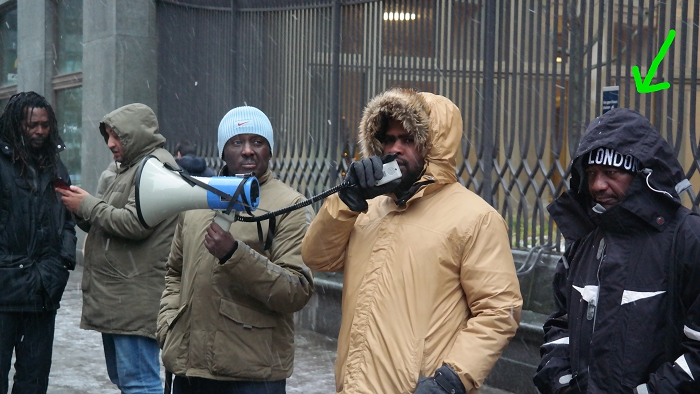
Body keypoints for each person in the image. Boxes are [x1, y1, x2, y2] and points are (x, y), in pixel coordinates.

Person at [301, 88, 523, 393]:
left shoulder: (476, 218)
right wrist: (347, 200)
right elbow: (317, 257)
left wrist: (452, 380)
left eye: (408, 140)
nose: (395, 149)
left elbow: (499, 310)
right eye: (389, 140)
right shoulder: (369, 208)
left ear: (433, 146)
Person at [533, 108, 700, 394]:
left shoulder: (688, 239)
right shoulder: (586, 239)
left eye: (611, 173)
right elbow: (560, 324)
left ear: (642, 174)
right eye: (591, 173)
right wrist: (561, 382)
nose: (598, 185)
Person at [158, 106, 314, 394]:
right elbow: (174, 272)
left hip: (252, 377)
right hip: (189, 369)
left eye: (257, 142)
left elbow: (296, 290)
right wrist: (169, 325)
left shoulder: (292, 205)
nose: (247, 151)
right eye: (236, 142)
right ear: (222, 151)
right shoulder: (195, 197)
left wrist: (234, 255)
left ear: (269, 151)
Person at [57, 103, 178, 394]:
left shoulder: (155, 167)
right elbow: (109, 222)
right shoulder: (130, 168)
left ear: (134, 135)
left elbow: (135, 224)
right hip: (122, 297)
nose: (110, 144)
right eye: (108, 136)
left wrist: (87, 204)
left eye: (116, 136)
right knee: (126, 380)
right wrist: (78, 209)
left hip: (134, 297)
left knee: (139, 383)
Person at [0, 92, 77, 394]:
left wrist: (63, 262)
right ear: (17, 124)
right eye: (32, 125)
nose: (40, 131)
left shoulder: (56, 168)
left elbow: (68, 219)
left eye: (45, 125)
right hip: (4, 291)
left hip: (42, 292)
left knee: (33, 381)